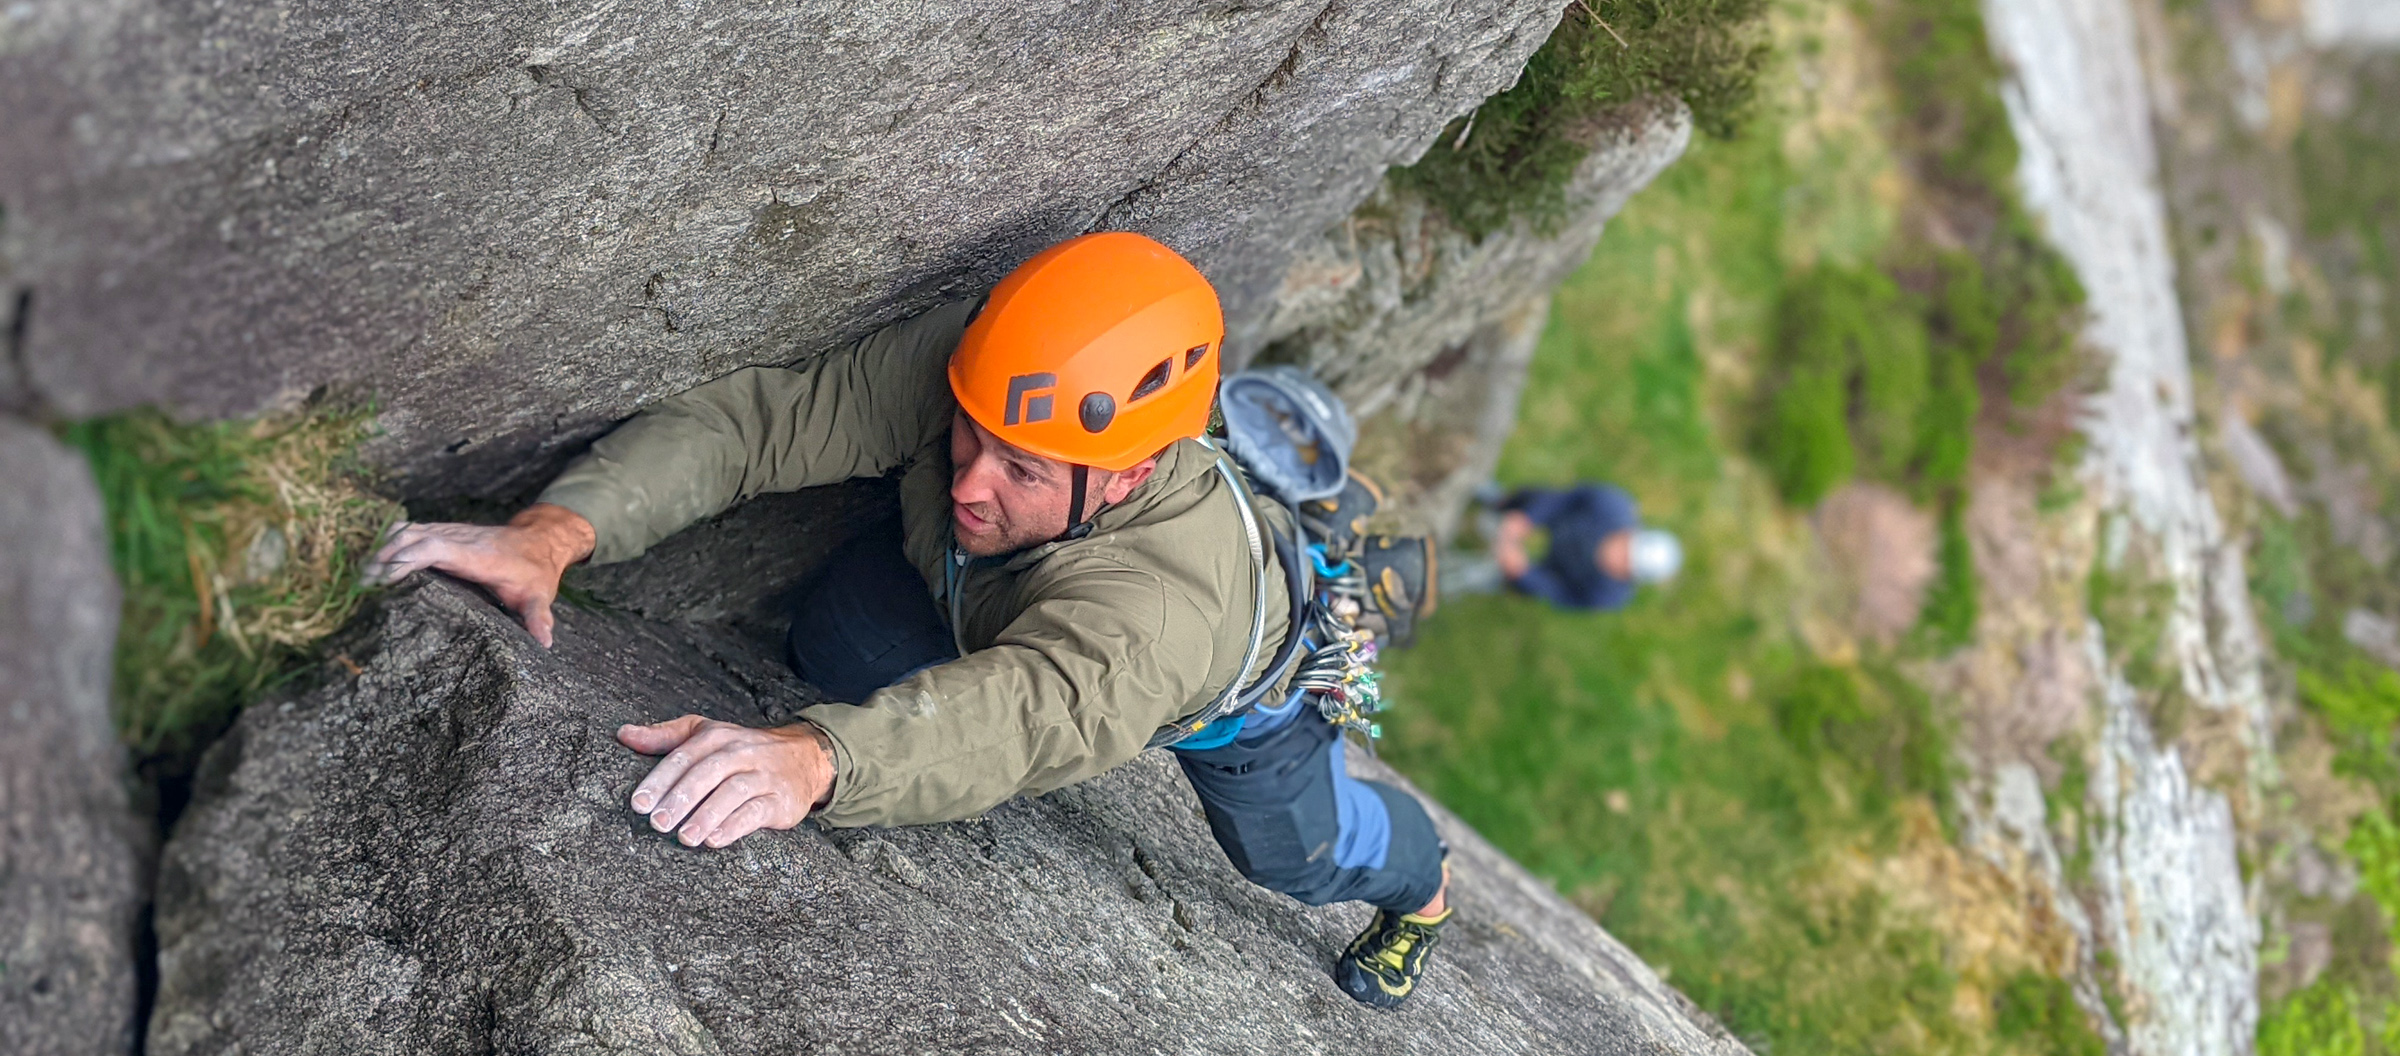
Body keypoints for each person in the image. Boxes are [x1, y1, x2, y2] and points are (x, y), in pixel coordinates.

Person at [365, 232, 1453, 1008]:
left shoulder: (1152, 620)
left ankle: (1423, 883)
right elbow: (764, 426)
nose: (970, 479)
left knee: (1296, 855)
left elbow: (1018, 717)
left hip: (1233, 691)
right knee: (840, 641)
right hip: (990, 597)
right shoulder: (989, 373)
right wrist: (556, 531)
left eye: (1020, 467)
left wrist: (814, 759)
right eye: (964, 439)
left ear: (1123, 479)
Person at [1443, 483, 1681, 610]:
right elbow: (1564, 499)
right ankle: (1498, 500)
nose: (1617, 558)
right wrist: (1528, 519)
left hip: (1555, 568)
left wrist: (1525, 572)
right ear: (1632, 533)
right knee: (1533, 498)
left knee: (1521, 584)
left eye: (1625, 566)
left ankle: (1481, 578)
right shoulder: (1611, 506)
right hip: (1559, 522)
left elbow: (1560, 593)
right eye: (1625, 549)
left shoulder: (1608, 593)